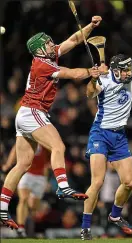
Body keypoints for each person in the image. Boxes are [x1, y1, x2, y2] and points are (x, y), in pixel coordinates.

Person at [0, 16, 102, 229]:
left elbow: (73, 41)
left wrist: (90, 27)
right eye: (46, 43)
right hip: (33, 112)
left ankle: (2, 208)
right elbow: (71, 74)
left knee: (23, 164)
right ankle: (63, 186)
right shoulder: (42, 65)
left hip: (26, 115)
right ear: (38, 49)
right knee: (58, 146)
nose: (51, 44)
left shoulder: (47, 56)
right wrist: (90, 73)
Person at [81, 11, 132, 240]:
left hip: (119, 136)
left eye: (130, 70)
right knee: (98, 181)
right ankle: (85, 228)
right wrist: (92, 79)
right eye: (126, 71)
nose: (130, 74)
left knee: (129, 183)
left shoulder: (127, 74)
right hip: (100, 133)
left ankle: (115, 215)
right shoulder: (103, 79)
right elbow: (90, 94)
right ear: (115, 70)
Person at [2, 144, 50, 238]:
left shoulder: (45, 141)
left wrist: (47, 179)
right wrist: (8, 163)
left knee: (33, 207)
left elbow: (50, 158)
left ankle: (31, 229)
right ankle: (21, 228)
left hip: (40, 177)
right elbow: (15, 148)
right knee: (23, 199)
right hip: (26, 173)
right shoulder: (26, 137)